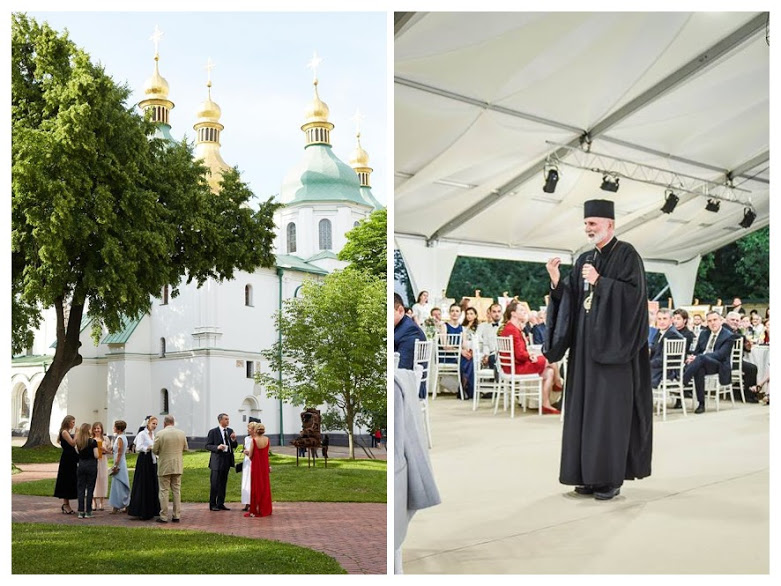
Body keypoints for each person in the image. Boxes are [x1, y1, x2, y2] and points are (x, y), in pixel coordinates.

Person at [544, 198, 653, 501]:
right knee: (583, 413)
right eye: (586, 223)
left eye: (593, 223)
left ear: (610, 225)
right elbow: (573, 302)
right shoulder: (583, 259)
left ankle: (608, 478)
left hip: (614, 354)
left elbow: (635, 300)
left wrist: (602, 282)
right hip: (584, 353)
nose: (588, 228)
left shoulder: (628, 255)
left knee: (608, 416)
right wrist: (556, 284)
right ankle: (586, 476)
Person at [498, 300, 561, 414]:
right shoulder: (512, 330)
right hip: (516, 367)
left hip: (514, 365)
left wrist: (529, 355)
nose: (524, 312)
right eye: (521, 310)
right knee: (550, 359)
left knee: (549, 372)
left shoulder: (511, 328)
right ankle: (558, 384)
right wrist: (529, 355)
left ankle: (545, 404)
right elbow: (520, 355)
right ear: (513, 313)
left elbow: (519, 352)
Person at [682, 311, 736, 413]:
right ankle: (701, 404)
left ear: (721, 320)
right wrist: (692, 357)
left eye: (715, 320)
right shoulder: (704, 333)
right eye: (709, 321)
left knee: (701, 358)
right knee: (699, 369)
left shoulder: (728, 336)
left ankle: (684, 381)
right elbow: (697, 351)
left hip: (719, 365)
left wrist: (699, 357)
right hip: (703, 363)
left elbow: (721, 355)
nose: (712, 323)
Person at [152, 414, 189, 523]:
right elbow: (185, 448)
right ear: (173, 422)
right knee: (176, 491)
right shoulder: (181, 433)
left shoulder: (160, 434)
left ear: (164, 423)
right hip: (177, 465)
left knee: (164, 491)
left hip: (164, 465)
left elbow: (154, 450)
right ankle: (176, 515)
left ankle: (163, 516)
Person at [128, 415, 161, 520]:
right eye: (153, 423)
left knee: (152, 484)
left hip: (152, 460)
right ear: (148, 423)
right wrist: (149, 447)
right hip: (144, 460)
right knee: (143, 484)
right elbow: (138, 447)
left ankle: (152, 509)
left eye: (156, 424)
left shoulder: (154, 435)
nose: (154, 426)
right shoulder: (142, 434)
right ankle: (142, 510)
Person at [439, 303, 474, 400]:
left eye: (457, 311)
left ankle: (463, 388)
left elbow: (464, 345)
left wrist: (468, 351)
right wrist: (460, 351)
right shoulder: (444, 326)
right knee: (465, 360)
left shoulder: (462, 328)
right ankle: (464, 388)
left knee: (470, 359)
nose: (454, 313)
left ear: (460, 314)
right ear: (450, 313)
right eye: (452, 311)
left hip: (459, 356)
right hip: (447, 356)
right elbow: (444, 345)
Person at [205, 413, 238, 511]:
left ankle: (220, 503)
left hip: (227, 460)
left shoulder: (230, 431)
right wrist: (217, 447)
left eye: (228, 419)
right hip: (217, 461)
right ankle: (212, 504)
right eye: (226, 419)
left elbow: (234, 445)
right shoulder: (213, 432)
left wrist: (233, 440)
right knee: (215, 483)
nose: (228, 421)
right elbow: (207, 445)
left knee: (223, 483)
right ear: (220, 420)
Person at [649, 308, 684, 388]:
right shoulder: (659, 332)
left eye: (665, 319)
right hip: (658, 367)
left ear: (671, 320)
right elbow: (654, 348)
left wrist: (645, 364)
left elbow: (664, 360)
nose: (661, 322)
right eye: (659, 319)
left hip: (667, 370)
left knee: (635, 372)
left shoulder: (673, 335)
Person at [244, 423, 273, 518]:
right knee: (265, 486)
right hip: (264, 465)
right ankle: (265, 508)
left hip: (256, 466)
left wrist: (247, 453)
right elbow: (267, 454)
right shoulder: (267, 440)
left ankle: (255, 509)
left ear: (255, 430)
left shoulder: (254, 440)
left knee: (256, 486)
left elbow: (251, 455)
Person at [53, 415, 77, 515]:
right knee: (66, 479)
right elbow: (72, 443)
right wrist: (77, 434)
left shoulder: (67, 432)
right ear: (68, 422)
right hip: (67, 459)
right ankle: (65, 504)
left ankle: (67, 503)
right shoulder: (64, 432)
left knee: (71, 479)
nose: (73, 424)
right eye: (72, 422)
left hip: (71, 458)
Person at [74, 422, 100, 519]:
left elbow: (77, 453)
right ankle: (88, 511)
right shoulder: (93, 442)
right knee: (90, 488)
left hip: (81, 465)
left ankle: (81, 511)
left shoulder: (79, 442)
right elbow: (96, 455)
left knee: (80, 488)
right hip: (91, 465)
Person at [108, 420, 131, 514]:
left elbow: (119, 452)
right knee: (121, 484)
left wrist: (116, 465)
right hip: (121, 462)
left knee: (118, 484)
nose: (113, 428)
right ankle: (125, 504)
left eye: (114, 427)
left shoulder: (120, 438)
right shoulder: (122, 437)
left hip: (120, 463)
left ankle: (117, 506)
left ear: (118, 428)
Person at [91, 421, 112, 512]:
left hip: (103, 459)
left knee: (103, 479)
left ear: (101, 429)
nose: (97, 430)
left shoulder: (106, 439)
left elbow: (110, 452)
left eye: (98, 428)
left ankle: (102, 502)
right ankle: (93, 502)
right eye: (95, 428)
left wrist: (105, 449)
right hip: (94, 460)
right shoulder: (91, 439)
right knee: (94, 480)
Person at [241, 421, 257, 512]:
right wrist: (244, 451)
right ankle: (247, 502)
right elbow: (245, 447)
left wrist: (250, 453)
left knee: (253, 481)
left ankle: (254, 502)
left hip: (253, 461)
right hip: (246, 462)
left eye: (249, 428)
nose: (248, 430)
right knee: (246, 481)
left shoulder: (257, 439)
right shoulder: (246, 438)